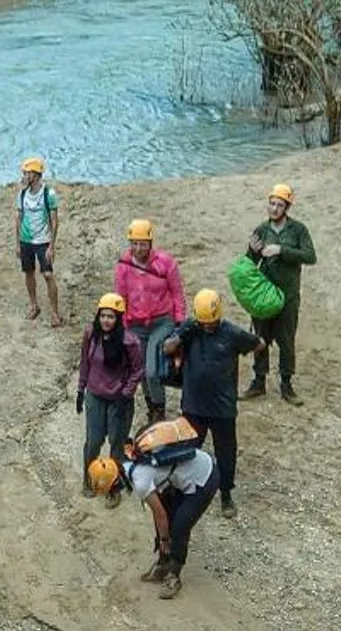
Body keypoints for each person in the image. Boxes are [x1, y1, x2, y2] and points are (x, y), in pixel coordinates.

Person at [163, 287, 263, 516]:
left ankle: (226, 494)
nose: (208, 326)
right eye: (203, 322)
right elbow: (167, 348)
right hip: (193, 406)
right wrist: (182, 334)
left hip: (222, 408)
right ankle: (182, 491)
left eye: (212, 322)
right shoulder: (190, 330)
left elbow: (258, 344)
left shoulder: (231, 333)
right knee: (187, 450)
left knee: (225, 453)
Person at [122, 415, 220, 598]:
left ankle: (174, 574)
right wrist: (162, 537)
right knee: (169, 519)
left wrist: (165, 539)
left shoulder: (141, 480)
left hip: (203, 479)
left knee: (180, 527)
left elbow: (159, 514)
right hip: (182, 476)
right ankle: (163, 563)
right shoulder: (131, 461)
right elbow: (160, 511)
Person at [244, 182, 318, 403]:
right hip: (265, 295)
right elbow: (250, 263)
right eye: (272, 204)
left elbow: (310, 256)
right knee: (260, 338)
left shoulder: (298, 230)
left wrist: (282, 250)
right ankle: (259, 382)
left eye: (279, 205)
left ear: (287, 208)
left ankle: (287, 384)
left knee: (286, 340)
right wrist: (253, 251)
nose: (274, 209)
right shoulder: (260, 230)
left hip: (288, 295)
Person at [112, 220, 187, 425]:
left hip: (161, 322)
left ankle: (159, 408)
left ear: (150, 243)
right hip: (136, 323)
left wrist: (180, 322)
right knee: (141, 370)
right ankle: (152, 406)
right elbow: (120, 296)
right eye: (135, 244)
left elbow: (177, 293)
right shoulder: (124, 266)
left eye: (142, 244)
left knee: (152, 369)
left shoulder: (166, 263)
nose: (138, 248)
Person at [75, 292, 142, 498]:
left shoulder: (130, 342)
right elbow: (85, 362)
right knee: (93, 441)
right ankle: (89, 479)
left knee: (117, 444)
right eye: (103, 315)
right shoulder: (91, 335)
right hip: (95, 396)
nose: (106, 320)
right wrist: (80, 389)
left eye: (111, 316)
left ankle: (114, 488)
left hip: (118, 401)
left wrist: (126, 394)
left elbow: (138, 370)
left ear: (119, 318)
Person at [16, 157, 62, 323]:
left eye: (27, 173)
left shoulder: (48, 194)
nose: (24, 176)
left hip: (43, 241)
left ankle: (55, 312)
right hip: (26, 240)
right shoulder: (22, 194)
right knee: (29, 273)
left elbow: (54, 221)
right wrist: (17, 243)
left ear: (35, 174)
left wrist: (52, 245)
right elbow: (19, 218)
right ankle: (34, 305)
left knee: (48, 274)